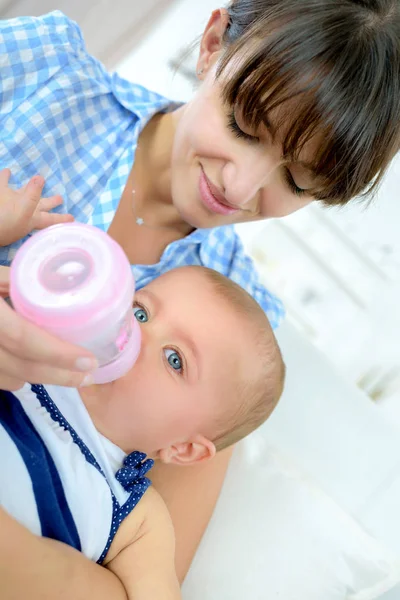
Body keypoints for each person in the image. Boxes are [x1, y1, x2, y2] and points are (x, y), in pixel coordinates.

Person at [0, 0, 399, 587]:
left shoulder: (232, 332)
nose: (240, 183)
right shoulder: (43, 77)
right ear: (213, 43)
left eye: (296, 180)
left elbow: (134, 583)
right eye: (243, 123)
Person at [0, 264, 284, 599]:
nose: (135, 333)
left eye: (174, 359)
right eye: (141, 312)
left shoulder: (138, 515)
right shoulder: (31, 351)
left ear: (184, 448)